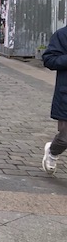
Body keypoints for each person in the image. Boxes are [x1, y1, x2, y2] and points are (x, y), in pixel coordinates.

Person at [42, 25, 67, 174]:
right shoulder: (63, 34)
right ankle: (52, 152)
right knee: (64, 139)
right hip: (66, 96)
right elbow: (49, 59)